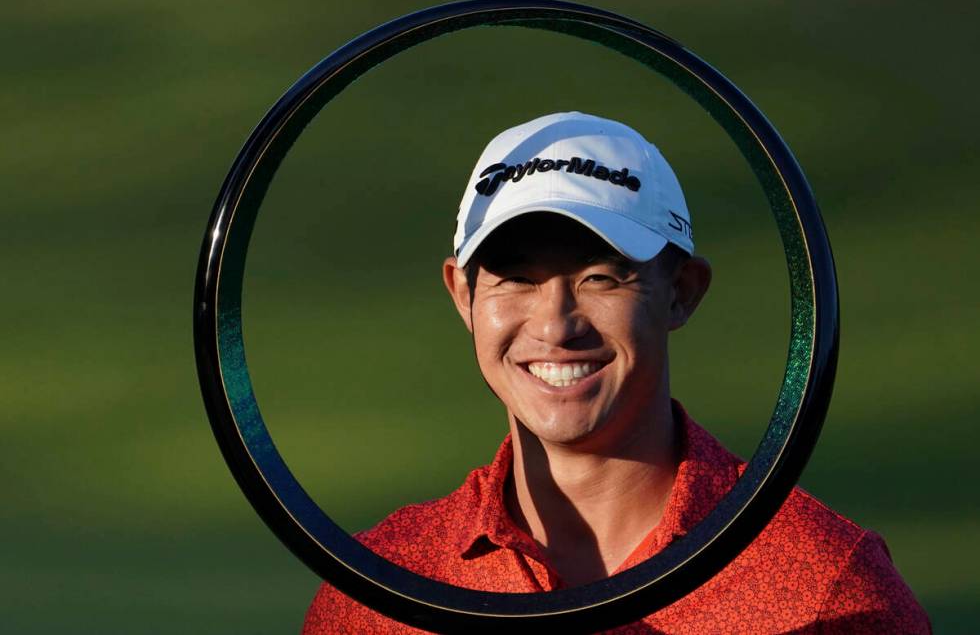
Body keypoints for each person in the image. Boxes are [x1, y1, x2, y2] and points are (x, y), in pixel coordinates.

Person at [302, 112, 930, 633]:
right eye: (515, 279)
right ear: (463, 296)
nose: (556, 324)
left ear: (681, 290)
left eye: (601, 277)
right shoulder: (378, 589)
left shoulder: (828, 586)